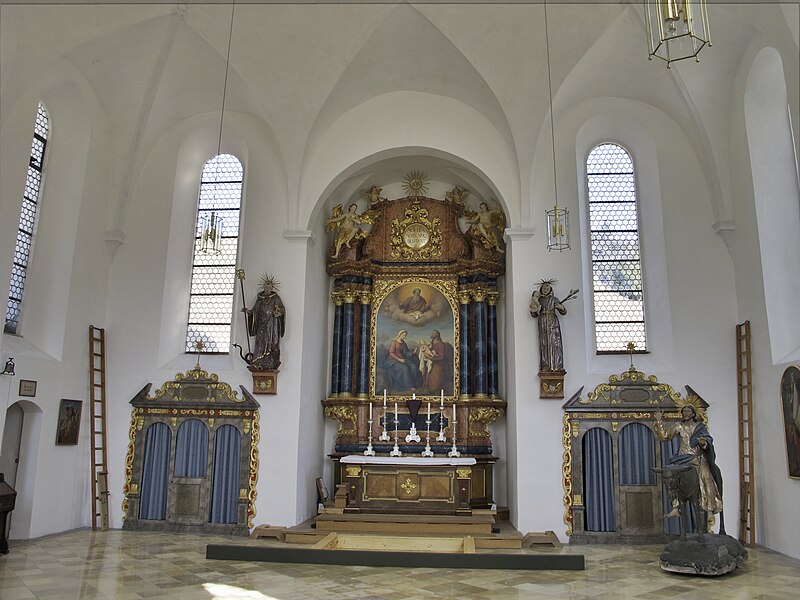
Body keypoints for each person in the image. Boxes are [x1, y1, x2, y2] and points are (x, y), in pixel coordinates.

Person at [655, 404, 723, 519]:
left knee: (706, 478)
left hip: (697, 459)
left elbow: (708, 440)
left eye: (688, 411)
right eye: (684, 411)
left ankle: (710, 509)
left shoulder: (700, 427)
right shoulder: (679, 426)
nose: (686, 413)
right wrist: (659, 422)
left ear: (693, 414)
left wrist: (703, 443)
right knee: (670, 478)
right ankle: (676, 507)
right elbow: (665, 436)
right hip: (682, 459)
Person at [529, 280, 577, 372]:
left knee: (555, 342)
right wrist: (533, 310)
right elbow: (534, 314)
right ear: (541, 289)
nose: (545, 290)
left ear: (550, 289)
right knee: (544, 343)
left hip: (553, 321)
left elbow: (563, 312)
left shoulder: (554, 299)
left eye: (547, 288)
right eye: (544, 288)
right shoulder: (538, 300)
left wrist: (561, 307)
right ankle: (545, 366)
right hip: (542, 322)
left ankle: (557, 365)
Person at [245, 276, 285, 370]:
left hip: (272, 324)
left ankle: (270, 361)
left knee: (271, 342)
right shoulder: (260, 299)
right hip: (261, 324)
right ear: (263, 287)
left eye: (269, 287)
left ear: (272, 288)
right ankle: (258, 361)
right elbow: (255, 310)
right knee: (260, 341)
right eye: (266, 287)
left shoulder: (276, 298)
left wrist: (278, 313)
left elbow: (282, 309)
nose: (267, 289)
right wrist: (249, 312)